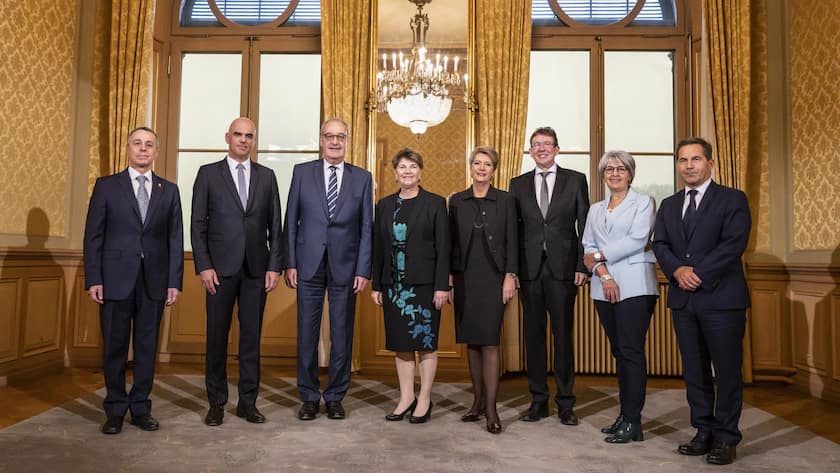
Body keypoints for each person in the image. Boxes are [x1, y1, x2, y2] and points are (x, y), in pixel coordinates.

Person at [652, 137, 751, 465]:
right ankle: (703, 431)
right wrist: (678, 270)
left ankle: (726, 437)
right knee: (694, 370)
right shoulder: (668, 204)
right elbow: (661, 244)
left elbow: (734, 243)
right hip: (684, 300)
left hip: (722, 299)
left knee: (726, 371)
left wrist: (697, 272)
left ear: (711, 163)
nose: (689, 165)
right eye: (683, 160)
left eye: (695, 159)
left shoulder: (733, 199)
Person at [83, 126, 183, 434]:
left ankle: (140, 407)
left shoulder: (169, 190)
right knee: (114, 346)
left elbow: (175, 239)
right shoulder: (106, 186)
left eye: (149, 145)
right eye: (137, 144)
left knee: (146, 346)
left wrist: (173, 281)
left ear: (156, 152)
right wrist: (94, 278)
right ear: (128, 149)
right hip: (114, 279)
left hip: (153, 281)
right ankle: (114, 409)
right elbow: (93, 236)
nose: (143, 149)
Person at [191, 117, 283, 427]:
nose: (243, 140)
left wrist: (274, 267)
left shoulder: (268, 177)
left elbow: (276, 228)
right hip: (218, 270)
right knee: (216, 338)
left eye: (249, 136)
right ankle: (216, 402)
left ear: (255, 140)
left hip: (256, 270)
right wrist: (203, 265)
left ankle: (247, 403)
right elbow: (197, 224)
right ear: (227, 137)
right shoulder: (207, 174)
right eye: (238, 135)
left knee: (250, 339)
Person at [283, 118, 374, 421]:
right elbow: (291, 221)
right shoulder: (302, 172)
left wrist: (363, 269)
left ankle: (335, 396)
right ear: (320, 140)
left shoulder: (362, 178)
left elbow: (366, 229)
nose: (335, 142)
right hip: (307, 265)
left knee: (341, 335)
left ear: (348, 141)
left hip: (346, 269)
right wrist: (290, 262)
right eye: (329, 136)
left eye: (341, 137)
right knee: (306, 336)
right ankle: (309, 397)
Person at [509, 126, 589, 425]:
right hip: (529, 271)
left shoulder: (575, 180)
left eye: (547, 144)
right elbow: (512, 231)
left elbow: (585, 227)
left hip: (564, 270)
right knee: (534, 337)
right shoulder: (517, 184)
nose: (541, 149)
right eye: (535, 145)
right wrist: (512, 270)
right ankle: (538, 400)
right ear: (530, 151)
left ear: (557, 149)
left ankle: (566, 403)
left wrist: (582, 265)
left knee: (563, 336)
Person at [581, 150, 658, 443]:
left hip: (636, 285)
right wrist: (603, 273)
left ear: (630, 173)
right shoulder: (595, 209)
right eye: (609, 169)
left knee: (631, 352)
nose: (615, 173)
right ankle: (625, 415)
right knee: (619, 353)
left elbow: (637, 240)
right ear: (603, 175)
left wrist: (599, 256)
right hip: (604, 286)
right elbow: (587, 244)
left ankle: (633, 420)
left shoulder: (643, 202)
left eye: (621, 169)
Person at [371, 149, 450, 425]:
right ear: (395, 173)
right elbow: (378, 248)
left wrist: (442, 286)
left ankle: (425, 398)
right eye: (402, 167)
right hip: (394, 286)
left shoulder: (436, 203)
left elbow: (444, 248)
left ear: (420, 171)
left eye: (412, 166)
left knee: (426, 344)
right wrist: (377, 284)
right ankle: (406, 397)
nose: (407, 171)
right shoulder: (384, 205)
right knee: (401, 345)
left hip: (426, 286)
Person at [449, 146, 517, 434]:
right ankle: (476, 403)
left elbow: (513, 240)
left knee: (489, 342)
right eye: (477, 163)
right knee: (472, 342)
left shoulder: (505, 200)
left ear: (494, 169)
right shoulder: (456, 201)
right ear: (470, 166)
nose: (481, 168)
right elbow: (449, 243)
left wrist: (510, 276)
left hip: (493, 278)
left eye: (486, 164)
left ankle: (491, 409)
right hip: (464, 278)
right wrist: (449, 279)